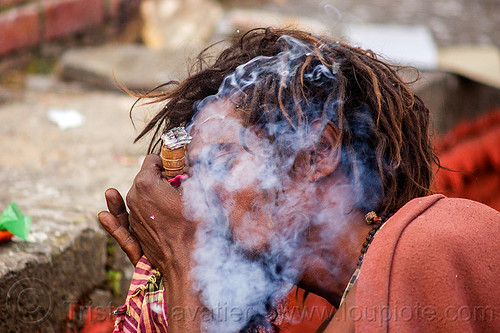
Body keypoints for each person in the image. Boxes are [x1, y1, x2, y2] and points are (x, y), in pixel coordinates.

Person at [98, 28, 500, 332]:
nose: (192, 202)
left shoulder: (428, 246)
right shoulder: (362, 301)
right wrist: (185, 287)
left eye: (222, 161)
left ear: (315, 154)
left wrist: (184, 259)